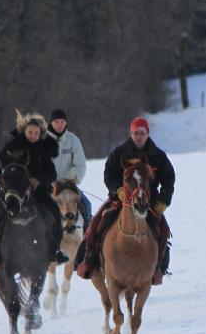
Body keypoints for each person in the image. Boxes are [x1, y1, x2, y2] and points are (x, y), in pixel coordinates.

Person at [75, 117, 175, 285]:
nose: (139, 136)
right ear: (131, 133)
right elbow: (109, 174)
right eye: (136, 133)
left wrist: (164, 201)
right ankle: (88, 259)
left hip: (149, 202)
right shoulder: (119, 152)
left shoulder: (158, 156)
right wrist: (118, 190)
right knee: (97, 222)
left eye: (142, 133)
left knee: (163, 229)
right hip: (121, 199)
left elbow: (169, 180)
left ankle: (158, 267)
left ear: (147, 134)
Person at [0, 111, 69, 266]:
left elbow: (52, 174)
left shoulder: (42, 149)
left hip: (37, 190)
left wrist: (38, 180)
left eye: (36, 133)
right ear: (24, 131)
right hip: (12, 189)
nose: (33, 135)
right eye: (30, 132)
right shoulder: (12, 146)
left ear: (40, 133)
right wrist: (1, 180)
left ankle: (54, 250)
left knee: (55, 212)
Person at [47, 108, 93, 231]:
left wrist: (75, 180)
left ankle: (88, 238)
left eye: (62, 122)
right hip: (49, 186)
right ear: (51, 123)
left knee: (87, 206)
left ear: (66, 123)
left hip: (69, 186)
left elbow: (81, 164)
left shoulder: (73, 140)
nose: (59, 125)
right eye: (56, 122)